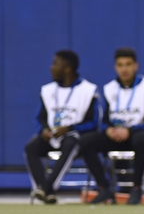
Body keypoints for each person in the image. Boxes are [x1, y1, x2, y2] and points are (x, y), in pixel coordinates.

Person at [79, 48, 144, 205]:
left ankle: (137, 189)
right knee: (85, 141)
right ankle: (104, 188)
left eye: (128, 64)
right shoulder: (110, 89)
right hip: (117, 135)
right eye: (120, 65)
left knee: (142, 140)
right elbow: (104, 120)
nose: (124, 69)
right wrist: (108, 129)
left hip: (139, 134)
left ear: (135, 66)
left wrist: (130, 130)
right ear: (115, 67)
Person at [24, 50, 100, 204]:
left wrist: (70, 128)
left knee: (71, 143)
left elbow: (93, 122)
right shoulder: (47, 90)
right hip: (51, 136)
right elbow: (40, 117)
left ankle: (46, 187)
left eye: (55, 64)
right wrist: (44, 129)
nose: (51, 68)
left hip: (74, 136)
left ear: (67, 68)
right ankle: (45, 189)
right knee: (30, 147)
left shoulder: (88, 90)